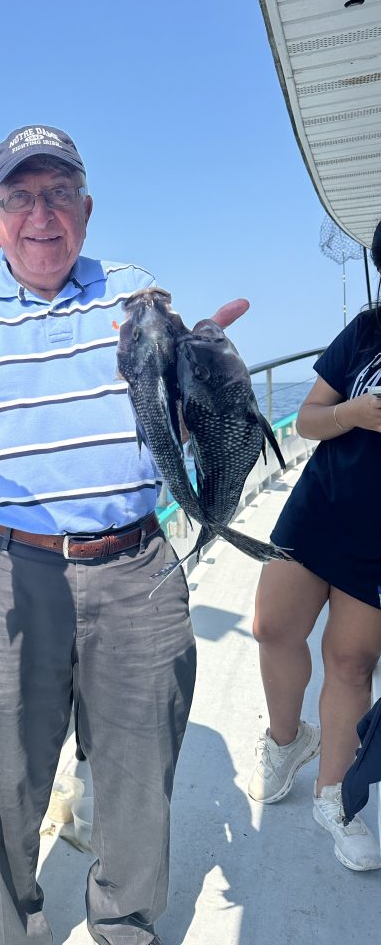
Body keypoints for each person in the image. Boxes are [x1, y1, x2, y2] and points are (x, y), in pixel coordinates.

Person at [0, 125, 247, 945]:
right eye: (20, 197)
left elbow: (182, 410)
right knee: (0, 781)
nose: (40, 213)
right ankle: (9, 933)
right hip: (5, 568)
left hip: (133, 562)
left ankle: (124, 929)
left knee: (137, 779)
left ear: (86, 207)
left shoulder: (134, 293)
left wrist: (211, 385)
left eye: (57, 193)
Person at [248, 220, 381, 872]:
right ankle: (286, 738)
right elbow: (305, 420)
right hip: (319, 508)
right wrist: (351, 415)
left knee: (351, 664)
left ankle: (337, 798)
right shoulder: (362, 333)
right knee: (271, 626)